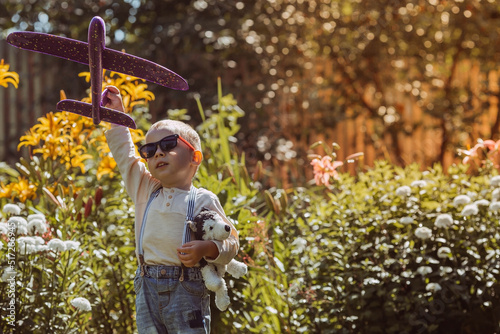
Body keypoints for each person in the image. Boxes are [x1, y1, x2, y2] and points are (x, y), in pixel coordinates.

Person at [103, 85, 239, 334]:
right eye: (150, 150)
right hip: (147, 287)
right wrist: (116, 117)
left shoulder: (202, 199)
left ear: (195, 157)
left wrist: (206, 248)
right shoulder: (145, 188)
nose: (158, 153)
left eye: (168, 144)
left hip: (186, 290)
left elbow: (230, 241)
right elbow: (125, 155)